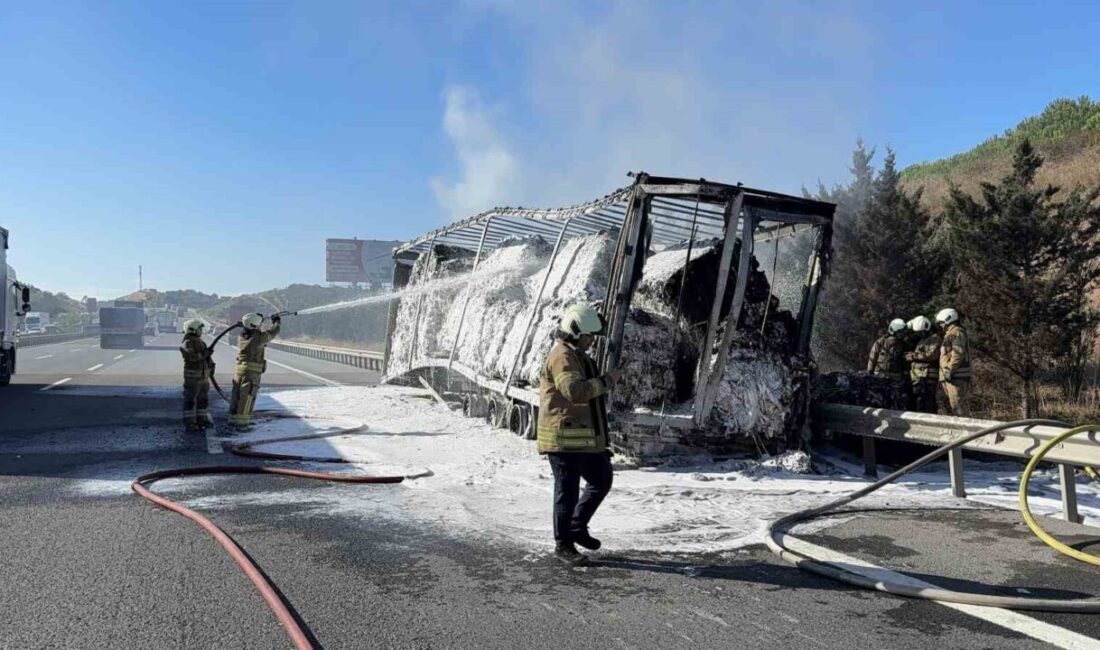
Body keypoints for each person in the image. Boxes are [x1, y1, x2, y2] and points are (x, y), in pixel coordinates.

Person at [538, 302, 621, 566]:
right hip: (563, 440)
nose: (592, 341)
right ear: (575, 332)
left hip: (580, 439)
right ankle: (563, 545)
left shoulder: (576, 355)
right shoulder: (562, 356)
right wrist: (607, 381)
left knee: (601, 478)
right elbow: (574, 391)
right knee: (567, 491)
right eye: (588, 336)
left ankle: (576, 526)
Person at [228, 312, 281, 431]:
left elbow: (252, 330)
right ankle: (242, 425)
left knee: (237, 396)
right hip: (251, 374)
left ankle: (233, 420)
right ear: (254, 325)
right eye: (259, 324)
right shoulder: (258, 338)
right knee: (247, 397)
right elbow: (273, 333)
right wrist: (276, 322)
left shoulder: (243, 336)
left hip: (240, 371)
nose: (261, 326)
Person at [936, 308, 972, 416]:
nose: (941, 326)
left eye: (942, 323)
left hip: (956, 376)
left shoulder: (956, 333)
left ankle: (965, 430)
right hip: (951, 376)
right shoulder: (950, 333)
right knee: (953, 406)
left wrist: (949, 370)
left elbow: (958, 354)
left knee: (958, 406)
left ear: (948, 320)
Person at [179, 319, 213, 431]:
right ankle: (190, 423)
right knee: (190, 400)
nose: (201, 331)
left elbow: (206, 359)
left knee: (203, 400)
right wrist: (205, 353)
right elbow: (192, 357)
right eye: (199, 329)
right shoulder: (187, 343)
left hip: (203, 378)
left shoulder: (200, 341)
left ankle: (201, 420)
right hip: (192, 379)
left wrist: (210, 365)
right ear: (192, 330)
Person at [905, 315, 941, 413]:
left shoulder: (934, 338)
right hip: (919, 378)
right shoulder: (922, 340)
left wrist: (915, 356)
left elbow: (932, 355)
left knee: (927, 403)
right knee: (919, 403)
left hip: (927, 377)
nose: (920, 334)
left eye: (921, 332)